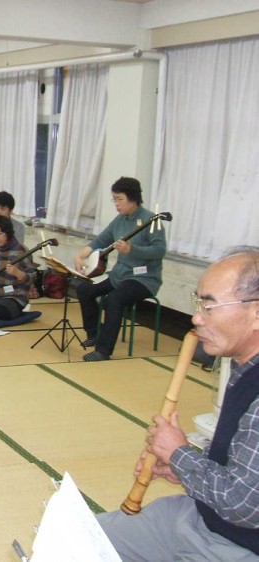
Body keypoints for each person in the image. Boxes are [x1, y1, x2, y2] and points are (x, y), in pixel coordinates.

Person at [98, 247, 259, 561]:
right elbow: (241, 465)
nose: (196, 318)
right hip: (200, 517)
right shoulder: (243, 365)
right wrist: (184, 468)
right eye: (198, 304)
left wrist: (178, 453)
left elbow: (243, 504)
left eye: (209, 306)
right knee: (77, 539)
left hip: (238, 546)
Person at [73, 177, 166, 361]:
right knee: (84, 289)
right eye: (114, 199)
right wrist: (81, 255)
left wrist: (132, 249)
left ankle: (103, 350)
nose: (116, 203)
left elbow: (159, 250)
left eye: (120, 199)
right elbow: (102, 239)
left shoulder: (151, 221)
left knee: (114, 299)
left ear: (133, 198)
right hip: (119, 275)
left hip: (143, 279)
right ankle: (94, 333)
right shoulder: (120, 220)